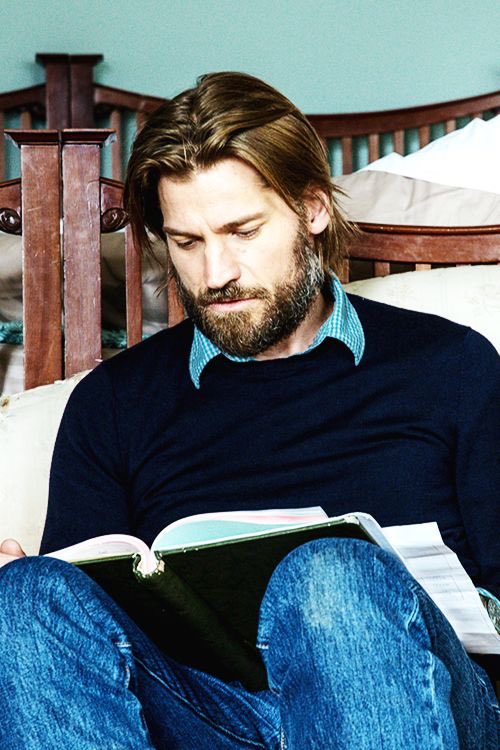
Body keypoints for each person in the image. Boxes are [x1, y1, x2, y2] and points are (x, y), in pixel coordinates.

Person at [0, 71, 498, 750]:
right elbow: (87, 626)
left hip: (419, 697)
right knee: (27, 595)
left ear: (312, 209)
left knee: (330, 574)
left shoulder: (449, 365)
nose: (216, 274)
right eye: (187, 242)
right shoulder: (113, 402)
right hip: (212, 718)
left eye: (242, 232)